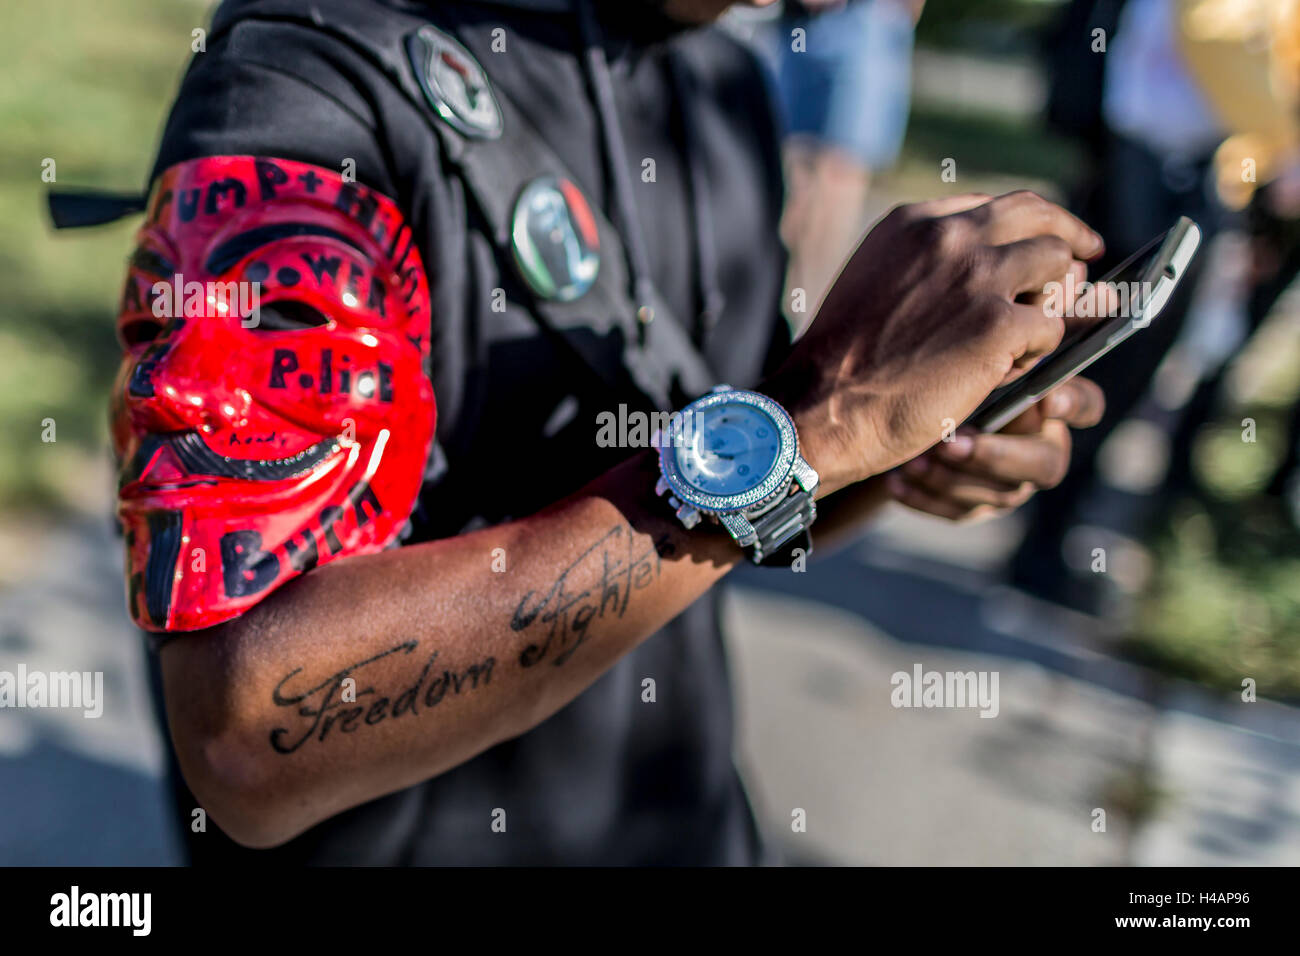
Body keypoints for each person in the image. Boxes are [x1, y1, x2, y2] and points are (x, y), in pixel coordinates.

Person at [92, 0, 1105, 864]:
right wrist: (819, 419)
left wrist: (902, 444)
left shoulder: (724, 83)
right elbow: (249, 727)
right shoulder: (303, 79)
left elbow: (719, 505)